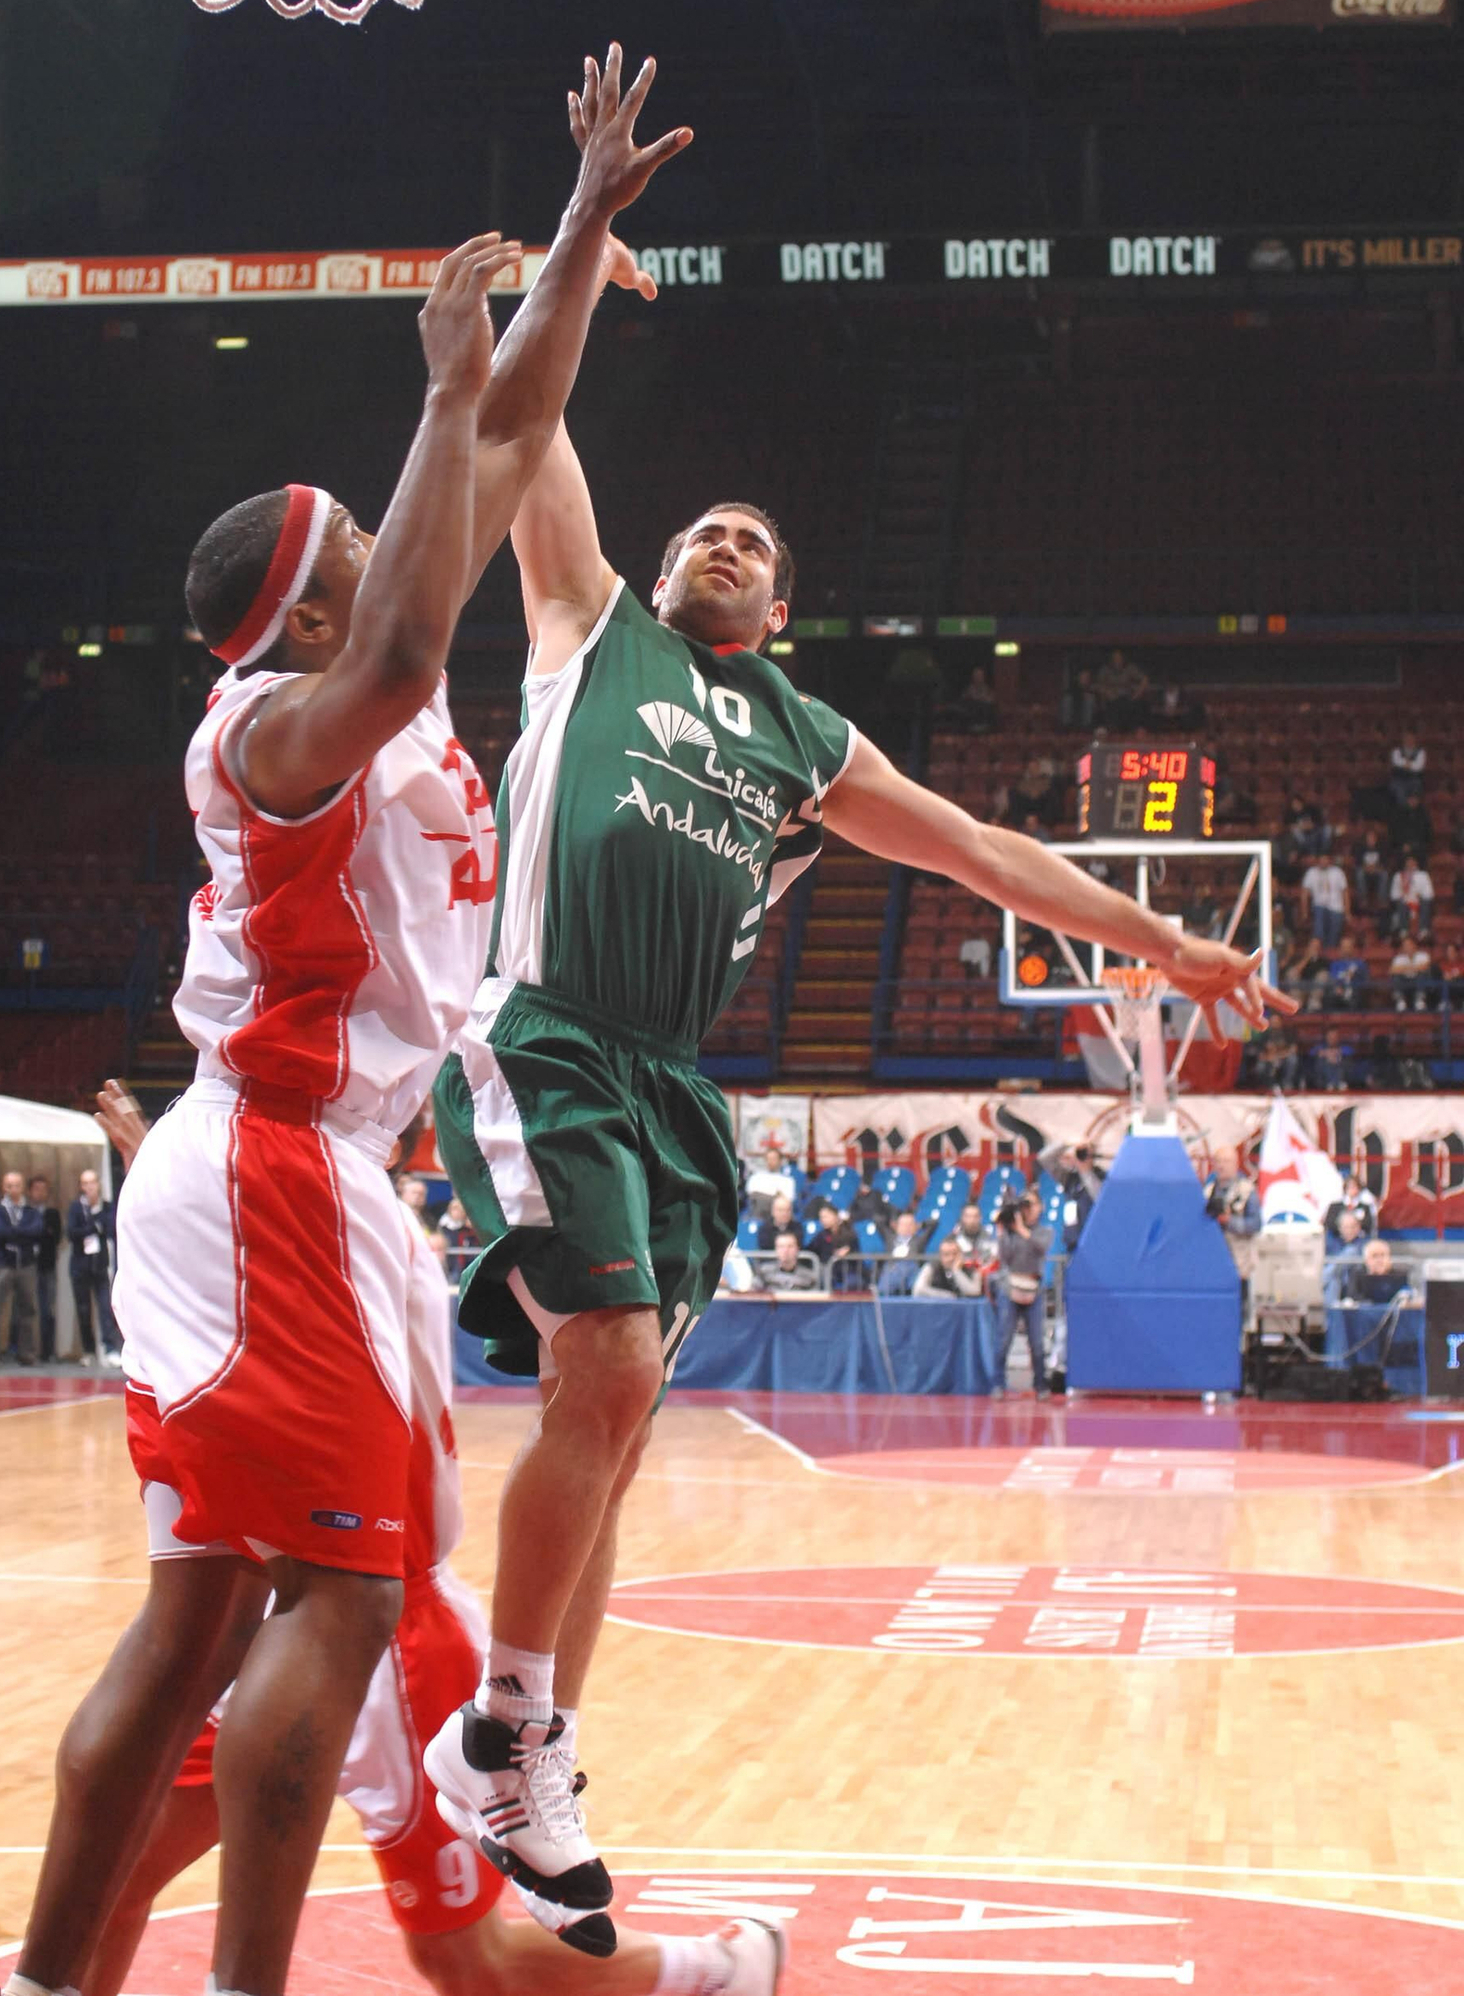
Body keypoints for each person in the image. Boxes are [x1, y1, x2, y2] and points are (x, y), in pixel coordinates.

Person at [425, 102, 1289, 1928]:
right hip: (554, 1026)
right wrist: (576, 226)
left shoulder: (805, 739)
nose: (720, 536)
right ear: (660, 573)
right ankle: (497, 1721)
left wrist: (1175, 944)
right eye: (705, 525)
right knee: (606, 1369)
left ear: (786, 601)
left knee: (630, 1406)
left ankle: (541, 1737)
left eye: (750, 536)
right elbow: (525, 419)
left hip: (677, 1085)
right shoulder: (592, 624)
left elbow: (984, 851)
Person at [5, 48, 691, 1996]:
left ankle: (64, 1981)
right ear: (311, 611)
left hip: (298, 1179)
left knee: (209, 1631)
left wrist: (570, 231)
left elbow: (513, 425)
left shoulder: (338, 688)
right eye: (363, 562)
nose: (413, 566)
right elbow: (405, 607)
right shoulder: (287, 727)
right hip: (270, 1175)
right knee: (331, 1602)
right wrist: (427, 377)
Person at [78, 1083, 784, 1996]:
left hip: (391, 1632)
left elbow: (258, 1262)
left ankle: (717, 1973)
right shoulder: (300, 1204)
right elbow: (241, 1250)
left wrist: (166, 1167)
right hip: (272, 1619)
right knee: (116, 1869)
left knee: (460, 1958)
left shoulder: (361, 1228)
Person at [991, 1189, 1050, 1397]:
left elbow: (1041, 1248)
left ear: (1039, 1207)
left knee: (1037, 1342)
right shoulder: (1009, 1232)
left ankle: (1041, 1384)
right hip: (1011, 1287)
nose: (1026, 1208)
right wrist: (1002, 1233)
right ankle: (998, 1383)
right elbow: (1005, 1257)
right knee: (1003, 1338)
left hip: (1034, 1287)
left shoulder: (1044, 1231)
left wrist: (1023, 1229)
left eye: (1030, 1204)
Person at [0, 1168, 43, 1365]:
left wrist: (14, 1233)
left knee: (28, 1311)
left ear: (22, 1187)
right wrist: (21, 1234)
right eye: (9, 1185)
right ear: (3, 1187)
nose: (13, 1189)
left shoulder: (31, 1211)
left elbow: (36, 1231)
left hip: (26, 1265)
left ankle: (27, 1353)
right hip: (2, 1265)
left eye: (16, 1185)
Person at [67, 1167, 120, 1368]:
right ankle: (88, 1351)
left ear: (98, 1184)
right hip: (80, 1267)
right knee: (83, 1310)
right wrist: (93, 1226)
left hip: (100, 1266)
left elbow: (109, 1228)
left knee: (106, 1308)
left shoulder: (107, 1207)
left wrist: (94, 1224)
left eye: (92, 1182)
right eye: (85, 1183)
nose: (89, 1187)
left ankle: (110, 1348)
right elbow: (73, 1232)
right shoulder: (76, 1208)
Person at [30, 1173, 61, 1362]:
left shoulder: (52, 1214)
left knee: (47, 1308)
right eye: (36, 1189)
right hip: (26, 1265)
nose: (39, 1193)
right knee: (24, 1309)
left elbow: (55, 1237)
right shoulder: (25, 1211)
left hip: (47, 1265)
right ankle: (21, 1349)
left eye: (43, 1189)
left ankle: (47, 1350)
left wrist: (39, 1232)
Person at [1301, 851, 1349, 952]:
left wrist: (1347, 912)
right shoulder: (1311, 872)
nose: (1324, 862)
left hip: (1336, 907)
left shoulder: (1338, 872)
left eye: (1326, 859)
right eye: (1322, 859)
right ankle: (1318, 947)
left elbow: (1345, 892)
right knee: (1319, 917)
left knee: (1335, 925)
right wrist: (1304, 912)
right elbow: (1304, 893)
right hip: (1319, 906)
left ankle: (1330, 950)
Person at [877, 1209, 930, 1295]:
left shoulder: (919, 1240)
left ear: (915, 1227)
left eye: (910, 1225)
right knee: (893, 1269)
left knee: (906, 1265)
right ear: (896, 1226)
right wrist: (891, 1221)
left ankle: (885, 1291)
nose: (907, 1227)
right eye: (903, 1224)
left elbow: (933, 1223)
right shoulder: (890, 1238)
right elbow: (878, 1220)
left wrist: (921, 1225)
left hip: (911, 1271)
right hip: (892, 1269)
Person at [1350, 1240, 1417, 1306]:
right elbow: (1353, 1298)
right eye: (1374, 1256)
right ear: (1366, 1260)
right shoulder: (1358, 1276)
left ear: (1389, 1258)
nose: (1379, 1260)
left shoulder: (1400, 1276)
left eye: (1383, 1255)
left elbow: (1408, 1295)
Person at [752, 1229, 818, 1293]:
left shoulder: (809, 1277)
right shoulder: (763, 1273)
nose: (785, 1251)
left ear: (797, 1249)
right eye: (781, 1247)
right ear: (776, 1249)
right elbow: (754, 1296)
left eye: (790, 1246)